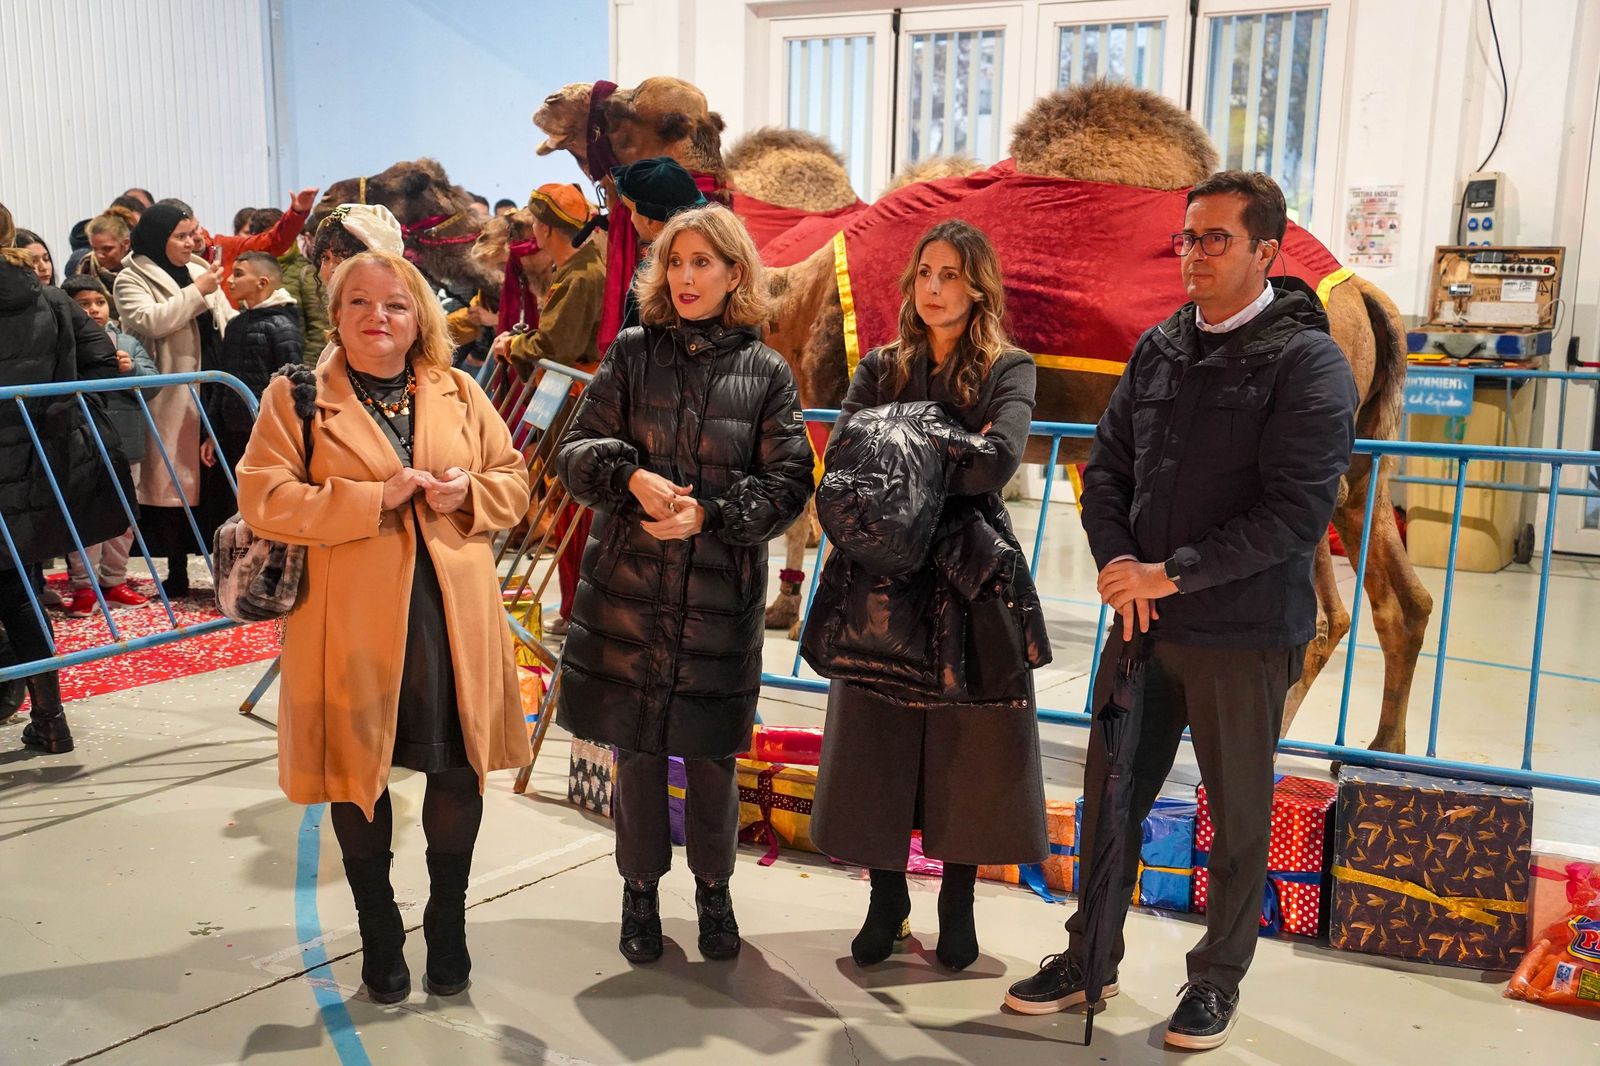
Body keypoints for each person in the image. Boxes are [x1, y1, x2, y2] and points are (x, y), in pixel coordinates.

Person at [1004, 172, 1358, 1050]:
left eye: (1215, 240)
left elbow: (1296, 511)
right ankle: (1090, 957)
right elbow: (1108, 466)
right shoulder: (1160, 347)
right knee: (1111, 795)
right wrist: (1121, 562)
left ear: (1266, 252)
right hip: (1142, 623)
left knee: (1238, 813)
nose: (1193, 255)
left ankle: (1216, 981)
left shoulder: (1307, 363)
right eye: (1187, 238)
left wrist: (1173, 572)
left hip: (1240, 632)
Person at [236, 249, 531, 1005]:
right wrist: (372, 500)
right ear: (334, 315)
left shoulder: (461, 390)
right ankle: (379, 931)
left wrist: (468, 491)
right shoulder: (295, 398)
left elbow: (515, 485)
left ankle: (448, 920)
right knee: (355, 779)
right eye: (360, 302)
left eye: (396, 305)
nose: (378, 317)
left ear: (419, 317)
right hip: (348, 623)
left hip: (451, 620)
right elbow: (264, 499)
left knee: (458, 767)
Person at [555, 204, 814, 964]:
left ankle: (714, 892)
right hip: (628, 592)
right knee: (635, 751)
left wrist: (711, 516)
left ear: (737, 274)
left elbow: (789, 480)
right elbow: (577, 451)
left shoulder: (766, 372)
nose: (688, 276)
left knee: (711, 755)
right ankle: (638, 896)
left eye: (704, 262)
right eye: (676, 261)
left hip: (715, 597)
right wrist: (628, 475)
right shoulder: (632, 352)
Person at [807, 219, 1048, 972]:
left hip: (969, 579)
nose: (933, 289)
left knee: (969, 749)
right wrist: (943, 440)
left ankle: (958, 905)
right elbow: (846, 454)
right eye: (924, 274)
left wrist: (900, 441)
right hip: (881, 572)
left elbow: (995, 464)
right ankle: (886, 901)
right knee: (875, 740)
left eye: (949, 275)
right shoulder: (880, 364)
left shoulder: (1012, 367)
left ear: (978, 285)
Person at [0, 201, 122, 753]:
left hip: (25, 460)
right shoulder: (50, 299)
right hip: (34, 461)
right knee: (21, 585)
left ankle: (44, 716)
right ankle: (46, 716)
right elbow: (103, 359)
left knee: (15, 591)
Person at [490, 184, 606, 639]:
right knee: (565, 501)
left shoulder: (581, 275)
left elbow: (555, 346)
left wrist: (514, 344)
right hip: (565, 395)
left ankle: (579, 605)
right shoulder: (578, 267)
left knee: (572, 503)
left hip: (574, 399)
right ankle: (574, 601)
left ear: (542, 225)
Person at [113, 204, 236, 597]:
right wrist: (197, 293)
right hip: (171, 394)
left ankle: (225, 570)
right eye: (181, 236)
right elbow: (150, 320)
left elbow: (224, 318)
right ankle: (177, 569)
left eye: (193, 233)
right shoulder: (130, 278)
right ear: (158, 237)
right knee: (174, 486)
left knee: (215, 481)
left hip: (213, 386)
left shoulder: (201, 268)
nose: (191, 242)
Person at [60, 276, 157, 617]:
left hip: (126, 443)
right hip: (80, 443)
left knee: (125, 517)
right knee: (82, 517)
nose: (93, 310)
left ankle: (113, 580)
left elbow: (155, 383)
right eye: (83, 304)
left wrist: (134, 373)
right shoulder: (62, 344)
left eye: (98, 302)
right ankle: (84, 586)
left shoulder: (128, 343)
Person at [198, 251, 304, 524]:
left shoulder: (282, 325)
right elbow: (223, 380)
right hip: (233, 428)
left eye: (239, 274)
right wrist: (212, 431)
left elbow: (292, 381)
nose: (230, 281)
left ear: (263, 282)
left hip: (267, 429)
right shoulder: (235, 325)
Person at [156, 188, 318, 307]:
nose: (196, 237)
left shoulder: (225, 246)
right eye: (186, 235)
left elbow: (271, 243)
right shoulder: (158, 268)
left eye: (197, 228)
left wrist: (297, 213)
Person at [610, 157, 707, 330]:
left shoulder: (653, 272)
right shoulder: (717, 254)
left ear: (648, 219)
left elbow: (631, 344)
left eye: (632, 212)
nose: (631, 219)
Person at [253, 208, 328, 365]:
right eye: (270, 239)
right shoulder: (249, 273)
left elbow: (319, 330)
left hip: (294, 368)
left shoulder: (307, 272)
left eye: (283, 237)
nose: (279, 243)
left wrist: (306, 373)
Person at [75, 208, 139, 317]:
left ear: (126, 244)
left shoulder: (141, 267)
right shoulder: (85, 268)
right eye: (95, 249)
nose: (99, 255)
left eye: (107, 249)